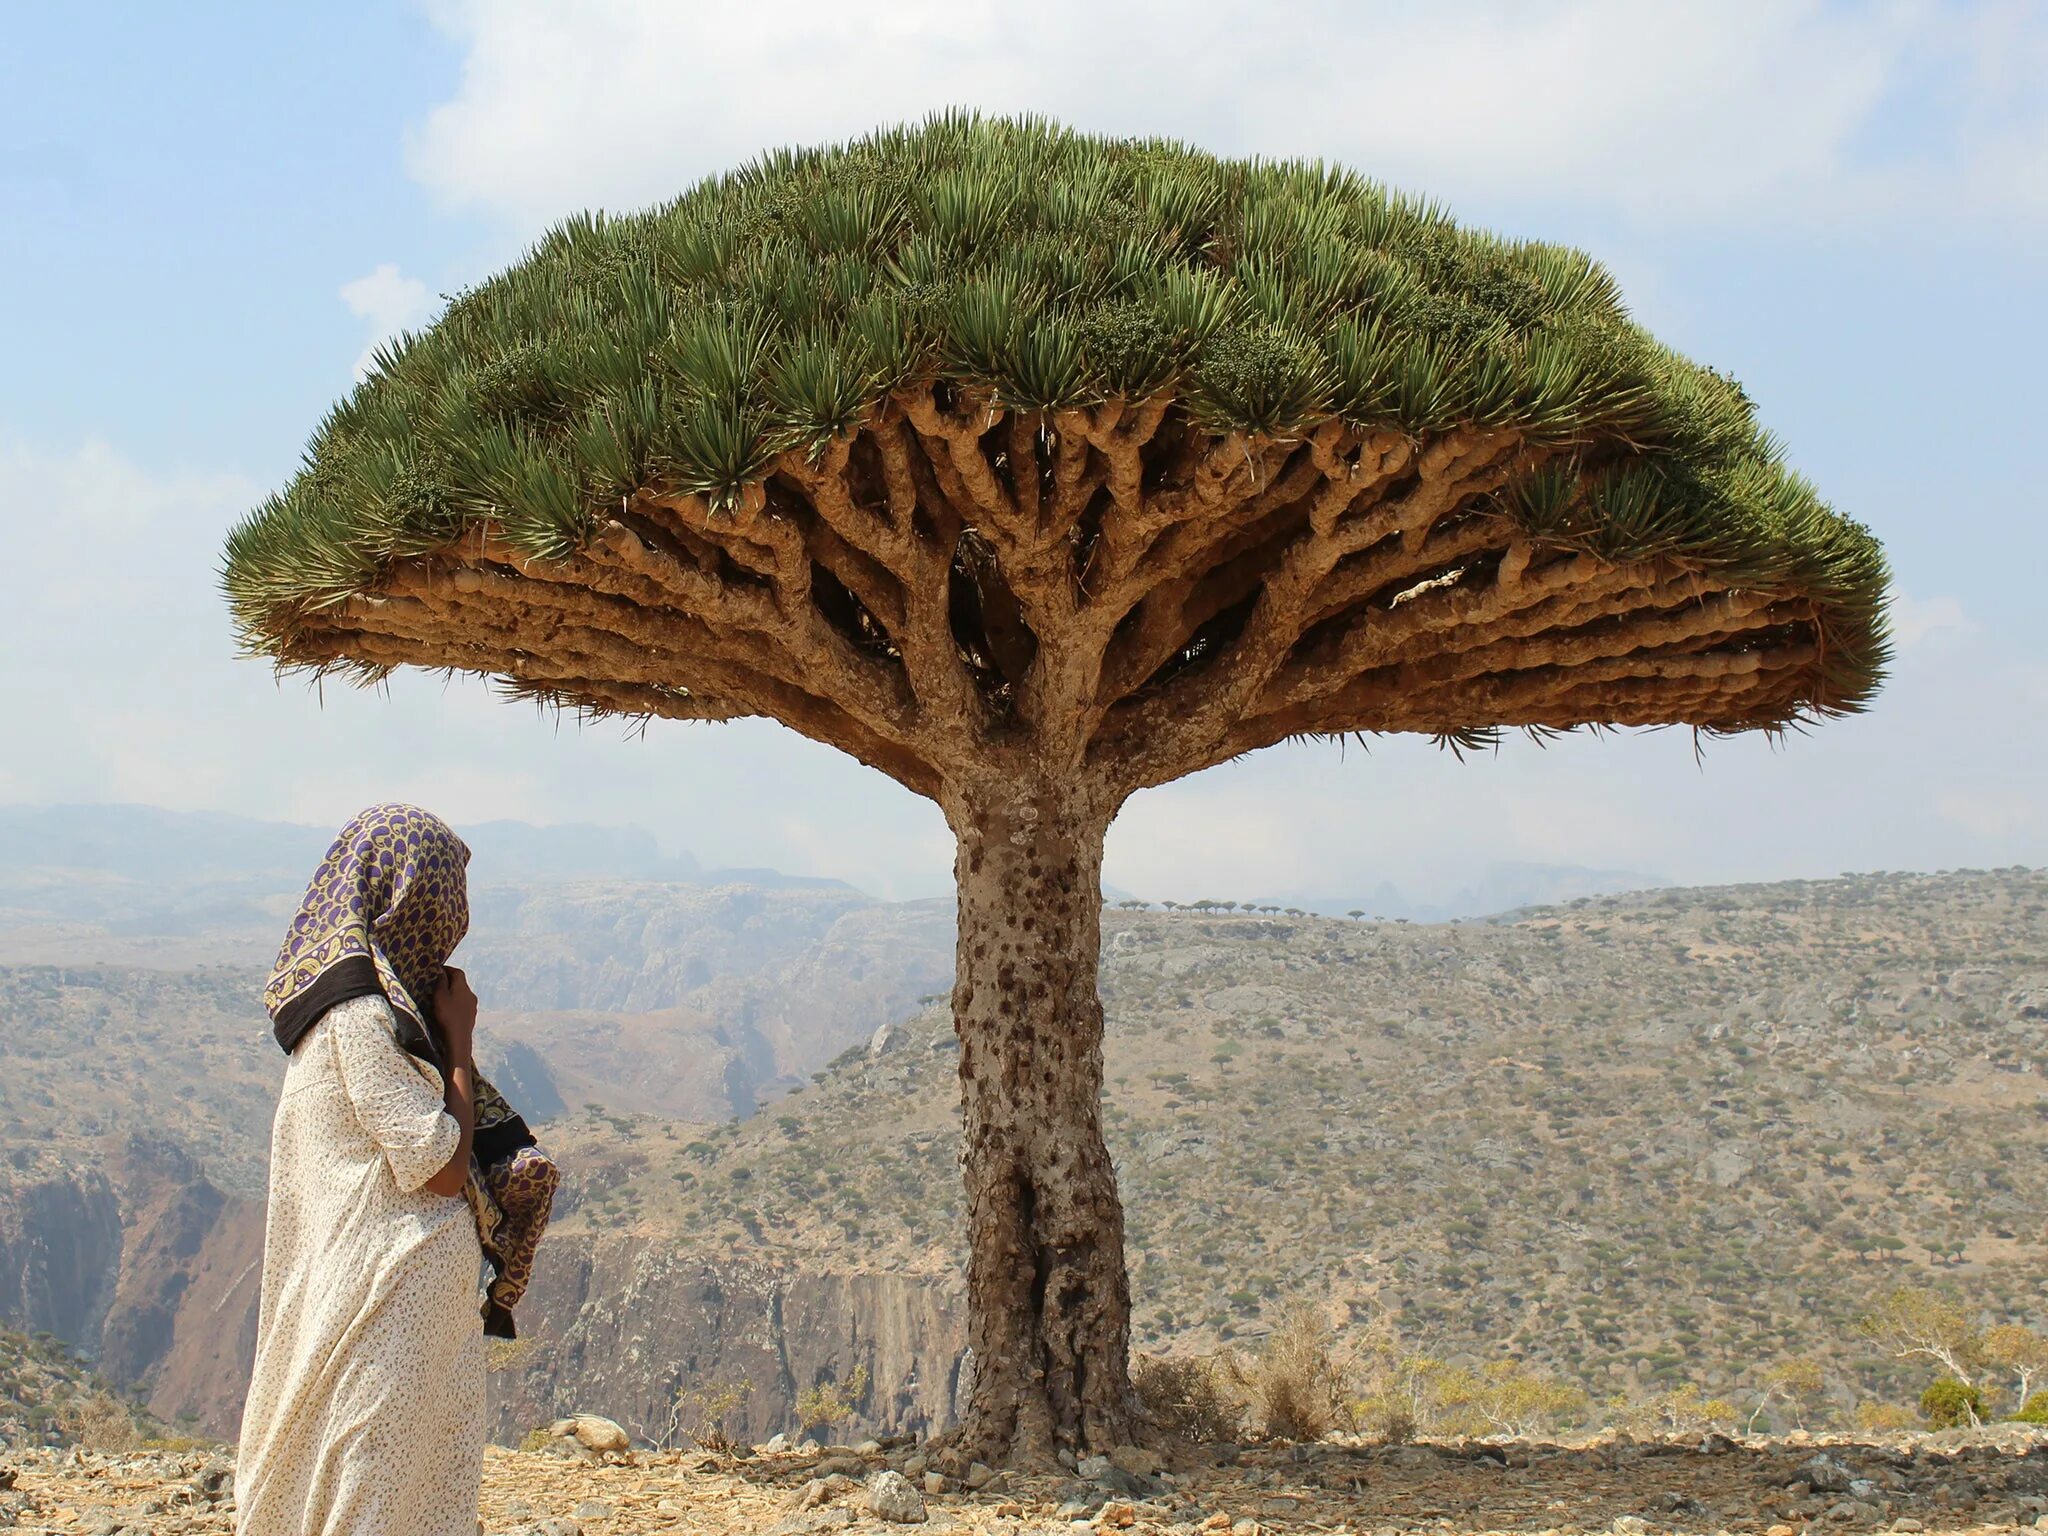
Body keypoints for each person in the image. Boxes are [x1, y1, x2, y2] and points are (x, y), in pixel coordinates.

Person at [235, 804, 553, 1536]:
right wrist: (461, 1044)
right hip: (391, 1294)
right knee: (376, 1485)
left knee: (389, 1481)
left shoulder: (350, 1015)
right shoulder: (361, 1019)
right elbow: (442, 1166)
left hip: (379, 1292)